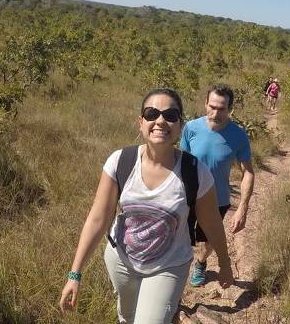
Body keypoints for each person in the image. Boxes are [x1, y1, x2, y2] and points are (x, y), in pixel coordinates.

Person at [59, 88, 234, 323]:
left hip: (169, 265)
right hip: (122, 262)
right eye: (152, 113)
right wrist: (74, 274)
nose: (160, 120)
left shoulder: (195, 172)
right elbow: (98, 219)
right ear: (140, 122)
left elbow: (212, 224)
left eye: (170, 115)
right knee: (128, 317)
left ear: (180, 125)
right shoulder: (120, 161)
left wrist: (224, 263)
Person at [180, 84, 255, 287]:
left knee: (208, 240)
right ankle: (176, 277)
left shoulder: (238, 135)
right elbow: (180, 163)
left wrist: (243, 207)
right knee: (181, 240)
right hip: (188, 197)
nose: (216, 113)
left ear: (230, 109)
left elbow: (248, 171)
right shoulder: (190, 128)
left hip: (217, 199)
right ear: (205, 103)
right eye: (212, 106)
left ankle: (201, 263)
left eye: (222, 108)